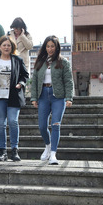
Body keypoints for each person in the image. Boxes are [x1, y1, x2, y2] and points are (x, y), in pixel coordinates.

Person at [31, 35, 73, 165]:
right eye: (48, 46)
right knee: (42, 126)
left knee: (56, 124)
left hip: (58, 97)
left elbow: (68, 81)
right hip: (43, 95)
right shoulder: (40, 62)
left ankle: (53, 154)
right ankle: (48, 146)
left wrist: (69, 97)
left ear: (56, 47)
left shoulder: (63, 62)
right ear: (45, 47)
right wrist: (34, 97)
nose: (50, 49)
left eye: (52, 46)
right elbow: (34, 81)